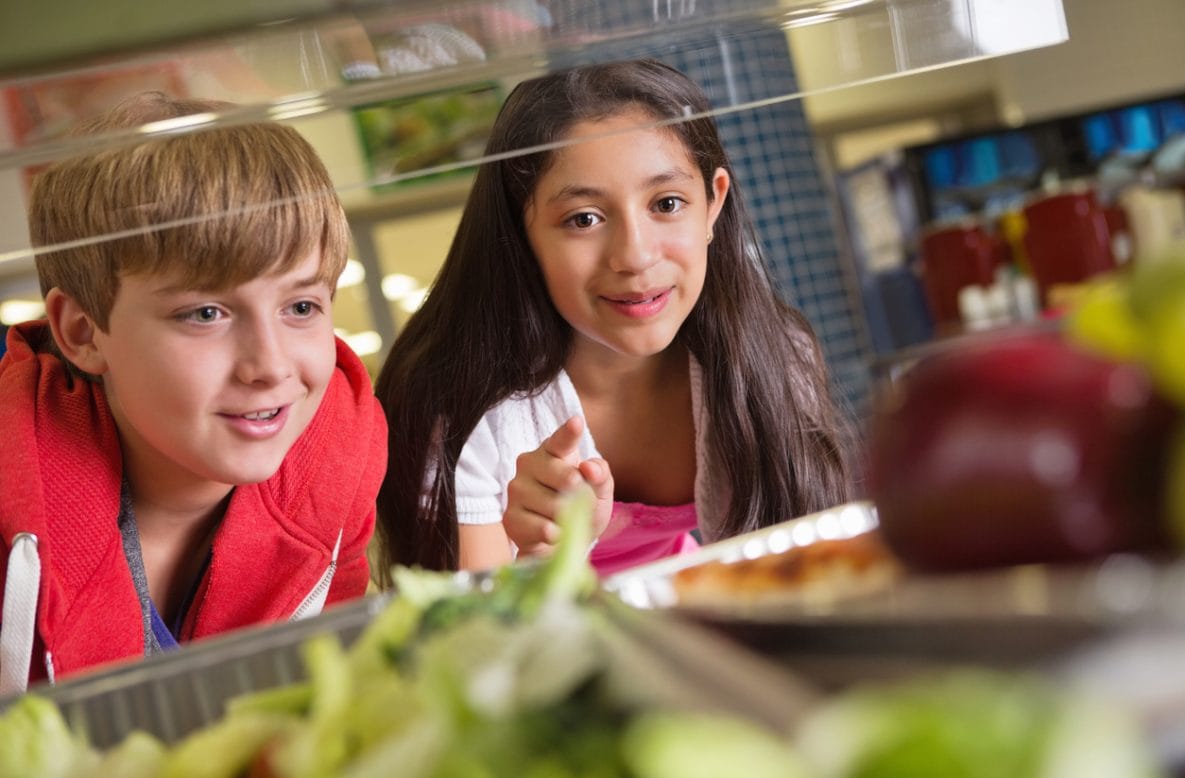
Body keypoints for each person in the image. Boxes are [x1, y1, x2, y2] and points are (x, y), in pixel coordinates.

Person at [374, 59, 852, 577]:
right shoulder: (456, 406)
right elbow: (474, 640)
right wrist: (540, 557)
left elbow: (811, 578)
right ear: (521, 233)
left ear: (713, 204)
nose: (635, 255)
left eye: (667, 203)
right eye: (584, 219)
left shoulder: (776, 357)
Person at [0, 92, 387, 695]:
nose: (270, 365)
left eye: (302, 306)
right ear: (82, 332)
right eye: (205, 312)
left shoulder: (340, 454)